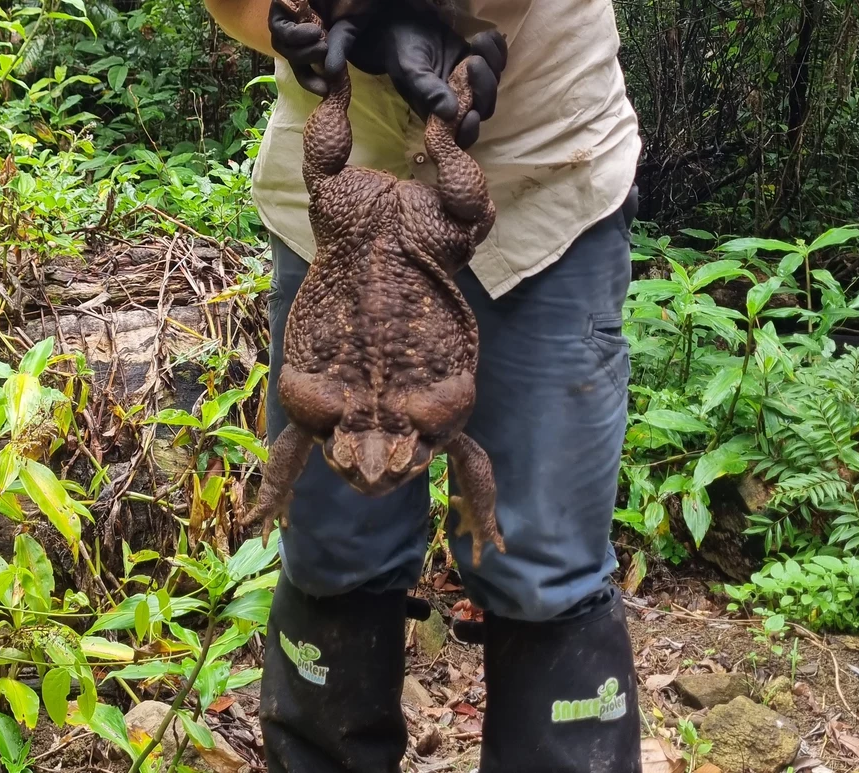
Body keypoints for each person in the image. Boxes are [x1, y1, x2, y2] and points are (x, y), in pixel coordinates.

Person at [202, 1, 643, 770]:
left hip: (541, 170)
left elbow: (461, 440)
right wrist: (287, 21)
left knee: (545, 563)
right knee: (333, 553)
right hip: (337, 211)